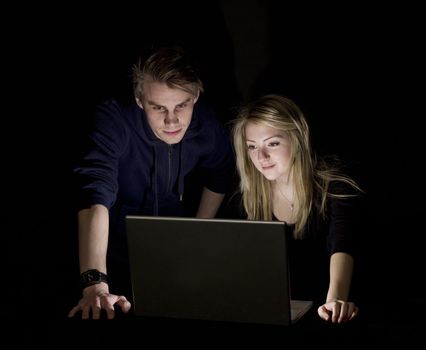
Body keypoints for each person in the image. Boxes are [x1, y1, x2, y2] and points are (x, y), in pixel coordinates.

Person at [68, 46, 235, 319]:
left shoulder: (207, 124)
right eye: (158, 107)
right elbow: (94, 193)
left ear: (195, 96)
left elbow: (220, 173)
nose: (172, 120)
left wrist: (195, 235)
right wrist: (95, 282)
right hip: (109, 251)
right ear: (139, 100)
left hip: (170, 256)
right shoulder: (114, 119)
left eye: (181, 105)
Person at [231, 94, 363, 324]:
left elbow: (342, 243)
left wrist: (335, 301)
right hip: (285, 313)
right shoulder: (250, 199)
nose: (261, 157)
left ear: (297, 138)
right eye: (251, 146)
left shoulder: (334, 187)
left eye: (272, 143)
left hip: (329, 310)